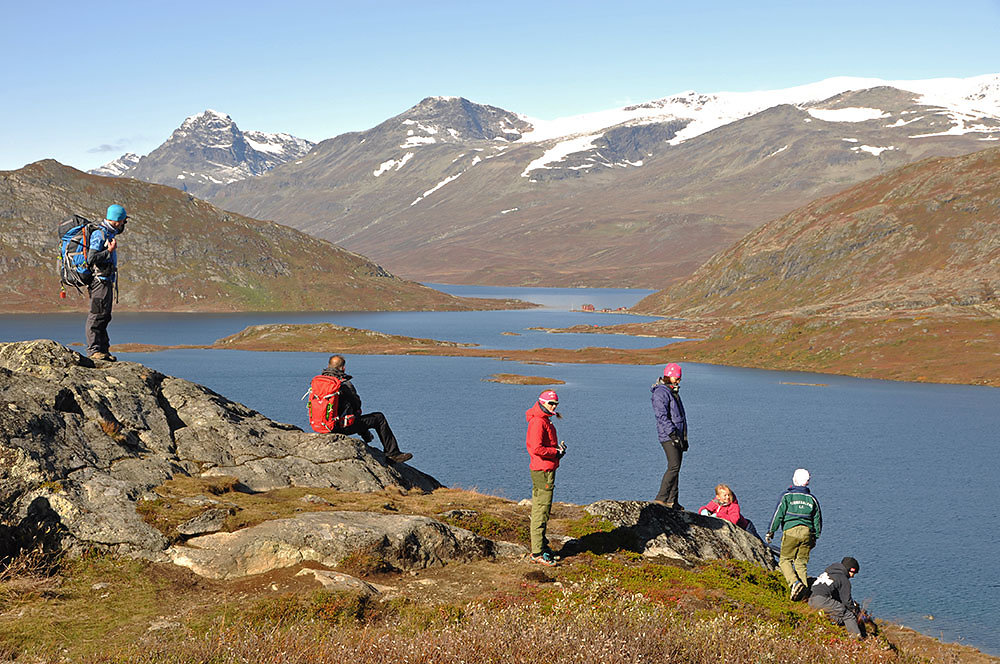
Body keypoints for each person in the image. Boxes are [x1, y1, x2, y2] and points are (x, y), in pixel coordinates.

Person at [321, 355, 412, 464]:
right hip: (339, 427)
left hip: (323, 426)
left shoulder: (322, 381)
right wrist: (365, 433)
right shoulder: (343, 384)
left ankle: (379, 444)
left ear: (329, 365)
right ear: (343, 368)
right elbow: (356, 407)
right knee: (379, 418)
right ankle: (393, 453)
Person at [766, 468, 822, 601]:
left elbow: (778, 515)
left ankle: (794, 584)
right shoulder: (812, 499)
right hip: (807, 533)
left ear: (794, 480)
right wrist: (815, 536)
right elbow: (818, 520)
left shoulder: (787, 496)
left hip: (791, 531)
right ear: (807, 482)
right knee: (801, 563)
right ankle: (804, 595)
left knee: (785, 560)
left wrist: (771, 531)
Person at [525, 389, 566, 567]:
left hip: (545, 469)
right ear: (542, 402)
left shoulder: (544, 420)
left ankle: (541, 547)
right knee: (541, 511)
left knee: (543, 509)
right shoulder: (538, 422)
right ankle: (537, 553)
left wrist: (557, 452)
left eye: (556, 403)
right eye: (551, 403)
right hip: (543, 471)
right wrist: (555, 452)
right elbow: (536, 448)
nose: (554, 406)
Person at [86, 204, 128, 361]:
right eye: (124, 221)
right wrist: (109, 252)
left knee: (104, 315)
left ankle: (103, 350)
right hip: (99, 281)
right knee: (96, 315)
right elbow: (91, 259)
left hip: (106, 280)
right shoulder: (100, 234)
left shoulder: (109, 233)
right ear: (117, 220)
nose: (124, 224)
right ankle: (94, 351)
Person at [651, 363, 687, 509]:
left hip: (677, 435)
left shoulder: (672, 391)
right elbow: (661, 416)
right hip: (668, 436)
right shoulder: (661, 392)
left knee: (676, 468)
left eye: (679, 378)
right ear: (668, 375)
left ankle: (673, 501)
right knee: (674, 466)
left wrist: (683, 438)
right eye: (676, 377)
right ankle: (661, 498)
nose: (678, 380)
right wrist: (672, 434)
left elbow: (680, 417)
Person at [809, 557, 864, 639]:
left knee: (840, 614)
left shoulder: (828, 573)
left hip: (811, 600)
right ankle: (856, 639)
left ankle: (826, 616)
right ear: (850, 570)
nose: (853, 576)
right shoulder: (844, 580)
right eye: (854, 573)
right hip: (822, 600)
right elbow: (847, 601)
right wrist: (854, 611)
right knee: (848, 616)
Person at [698, 484, 762, 539]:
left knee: (760, 544)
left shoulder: (733, 506)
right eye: (725, 495)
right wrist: (703, 511)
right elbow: (707, 508)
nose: (727, 497)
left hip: (746, 527)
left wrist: (718, 515)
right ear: (718, 497)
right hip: (730, 527)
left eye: (729, 495)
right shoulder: (715, 503)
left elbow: (734, 520)